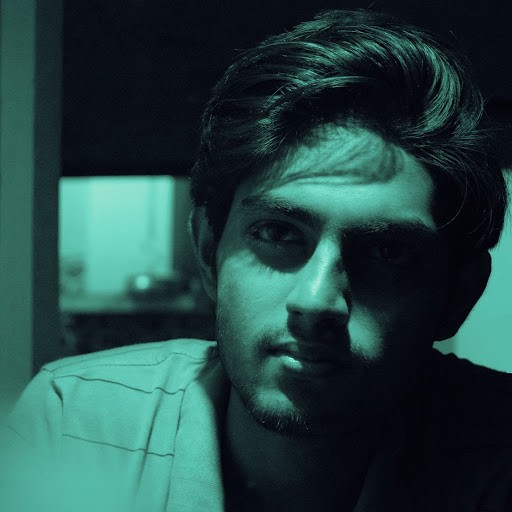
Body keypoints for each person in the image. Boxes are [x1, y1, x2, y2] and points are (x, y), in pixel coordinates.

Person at [2, 8, 512, 512]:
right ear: (208, 251)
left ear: (458, 294)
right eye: (278, 233)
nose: (316, 301)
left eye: (388, 253)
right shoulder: (75, 422)